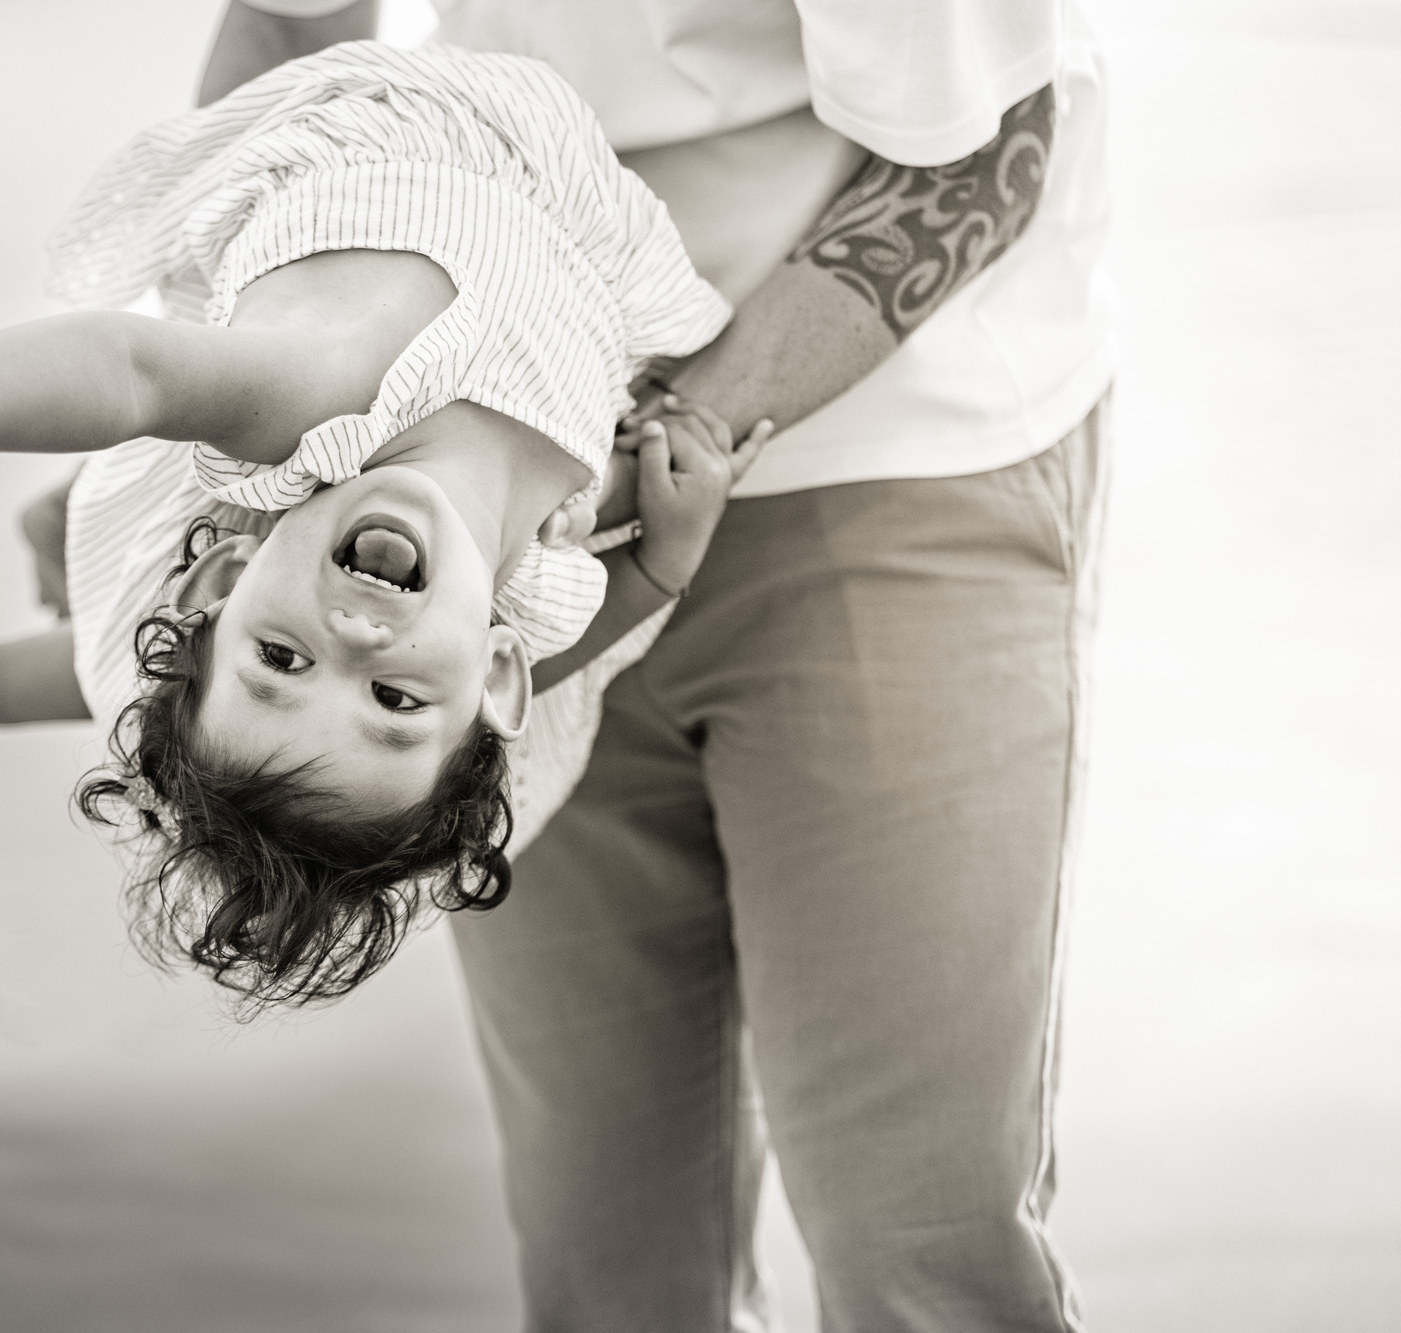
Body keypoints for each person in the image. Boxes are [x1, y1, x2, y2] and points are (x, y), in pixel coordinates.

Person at [202, 1, 1113, 1328]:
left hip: (900, 452)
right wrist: (193, 407)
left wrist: (650, 454)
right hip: (480, 486)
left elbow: (984, 146)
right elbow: (297, 35)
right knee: (608, 1261)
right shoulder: (418, 605)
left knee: (914, 1249)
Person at [0, 40, 767, 1007]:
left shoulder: (315, 392)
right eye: (393, 697)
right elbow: (528, 661)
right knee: (186, 700)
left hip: (357, 146)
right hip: (551, 231)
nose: (357, 638)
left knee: (149, 667)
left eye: (283, 656)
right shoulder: (548, 558)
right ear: (492, 671)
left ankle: (41, 569)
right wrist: (661, 568)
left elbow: (132, 370)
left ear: (223, 578)